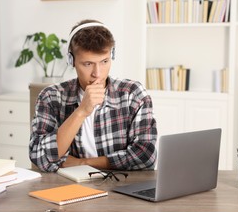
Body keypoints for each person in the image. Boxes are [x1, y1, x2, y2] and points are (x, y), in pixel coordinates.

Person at [29, 19, 157, 172]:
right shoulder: (51, 97)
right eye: (88, 64)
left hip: (122, 186)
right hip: (70, 187)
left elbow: (146, 157)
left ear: (112, 55)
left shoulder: (133, 94)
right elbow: (41, 157)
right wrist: (82, 111)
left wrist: (83, 163)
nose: (97, 73)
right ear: (72, 60)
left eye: (104, 61)